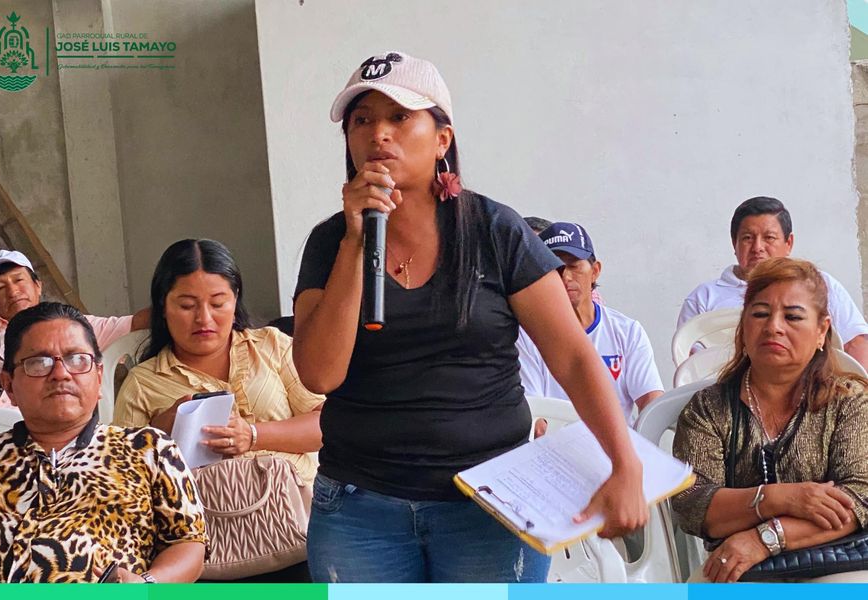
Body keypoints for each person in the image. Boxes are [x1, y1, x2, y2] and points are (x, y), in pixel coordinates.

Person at [293, 50, 647, 583]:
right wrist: (355, 242)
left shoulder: (495, 231)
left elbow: (574, 357)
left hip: (491, 504)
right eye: (361, 120)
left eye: (399, 117)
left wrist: (625, 463)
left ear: (442, 139)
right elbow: (320, 374)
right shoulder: (330, 243)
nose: (378, 134)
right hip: (360, 508)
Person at [0, 302, 207, 583]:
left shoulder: (148, 449)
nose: (60, 373)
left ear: (98, 375)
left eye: (77, 359)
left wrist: (146, 585)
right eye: (39, 363)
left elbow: (189, 543)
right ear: (9, 385)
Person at [672, 257, 868, 583]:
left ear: (821, 331)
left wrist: (764, 539)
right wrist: (780, 498)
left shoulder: (849, 400)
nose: (774, 326)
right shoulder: (708, 408)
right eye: (760, 313)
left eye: (793, 316)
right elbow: (691, 504)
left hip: (838, 564)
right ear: (743, 327)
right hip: (736, 569)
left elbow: (860, 497)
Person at [113, 239, 324, 486]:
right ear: (163, 307)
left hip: (296, 500)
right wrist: (161, 434)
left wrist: (253, 435)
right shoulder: (143, 383)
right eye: (187, 306)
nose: (204, 318)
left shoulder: (271, 345)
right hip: (203, 509)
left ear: (235, 300)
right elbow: (124, 477)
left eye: (217, 304)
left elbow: (326, 425)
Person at [676, 197, 868, 368]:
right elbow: (692, 367)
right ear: (734, 243)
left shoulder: (819, 285)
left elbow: (856, 344)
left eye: (769, 238)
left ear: (788, 243)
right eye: (747, 238)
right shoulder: (703, 298)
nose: (757, 247)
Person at [516, 222, 663, 423]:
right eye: (554, 268)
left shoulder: (628, 331)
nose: (565, 276)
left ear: (595, 271)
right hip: (555, 441)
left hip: (617, 443)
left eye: (574, 266)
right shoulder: (527, 336)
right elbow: (536, 418)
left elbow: (652, 402)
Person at [0, 250, 149, 407]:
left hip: (38, 427)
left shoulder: (73, 326)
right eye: (0, 288)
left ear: (38, 286)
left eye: (19, 280)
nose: (13, 292)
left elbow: (136, 323)